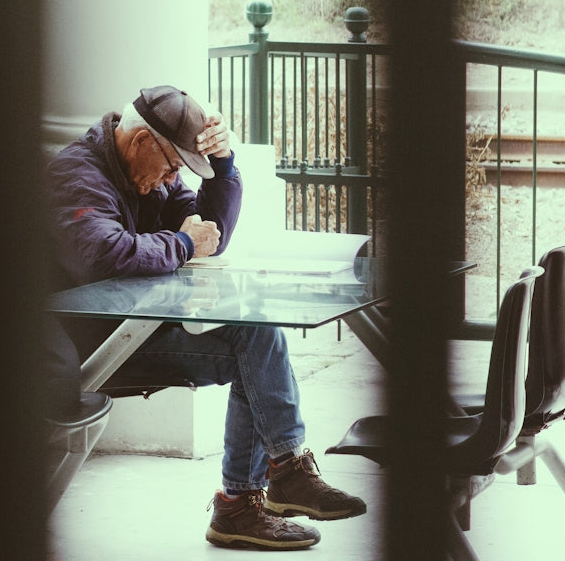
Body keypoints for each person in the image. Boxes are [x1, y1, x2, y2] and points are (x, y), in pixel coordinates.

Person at [45, 85, 366, 551]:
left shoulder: (150, 172)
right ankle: (265, 489)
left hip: (130, 328)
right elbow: (102, 256)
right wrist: (181, 243)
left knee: (254, 332)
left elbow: (206, 233)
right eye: (173, 166)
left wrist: (224, 167)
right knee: (252, 347)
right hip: (81, 343)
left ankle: (258, 491)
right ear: (141, 141)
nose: (172, 178)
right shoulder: (76, 174)